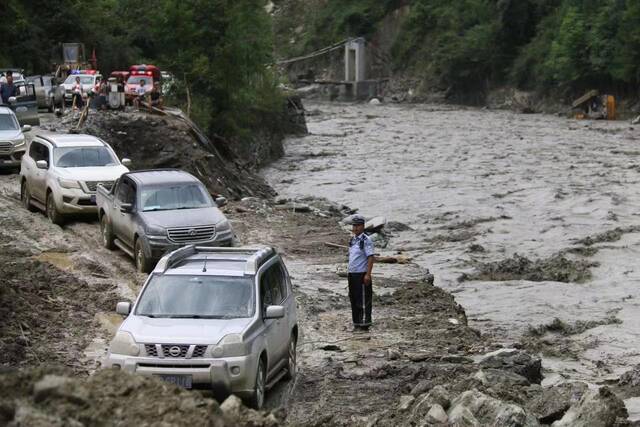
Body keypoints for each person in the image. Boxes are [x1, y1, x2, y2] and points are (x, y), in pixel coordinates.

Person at [347, 214, 375, 330]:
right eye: (354, 226)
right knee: (353, 298)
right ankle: (356, 323)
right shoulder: (353, 240)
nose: (355, 228)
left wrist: (368, 274)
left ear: (363, 226)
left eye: (358, 225)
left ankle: (364, 324)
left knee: (363, 300)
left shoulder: (366, 240)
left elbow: (370, 257)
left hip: (361, 274)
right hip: (352, 274)